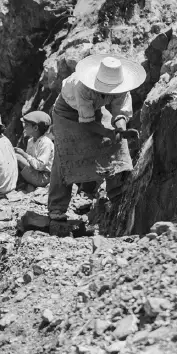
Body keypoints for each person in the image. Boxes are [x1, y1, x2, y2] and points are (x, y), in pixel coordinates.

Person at [47, 53, 144, 225]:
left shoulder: (121, 86)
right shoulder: (82, 87)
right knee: (65, 156)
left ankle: (113, 193)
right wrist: (109, 133)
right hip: (66, 112)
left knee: (116, 145)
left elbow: (119, 112)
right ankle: (57, 207)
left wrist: (121, 130)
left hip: (95, 110)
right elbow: (87, 123)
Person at [14, 110, 54, 190]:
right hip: (35, 173)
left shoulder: (46, 143)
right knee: (14, 156)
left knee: (17, 157)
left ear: (35, 128)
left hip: (44, 177)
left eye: (27, 125)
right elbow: (30, 161)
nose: (24, 127)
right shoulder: (31, 140)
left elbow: (40, 166)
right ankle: (20, 183)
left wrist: (23, 154)